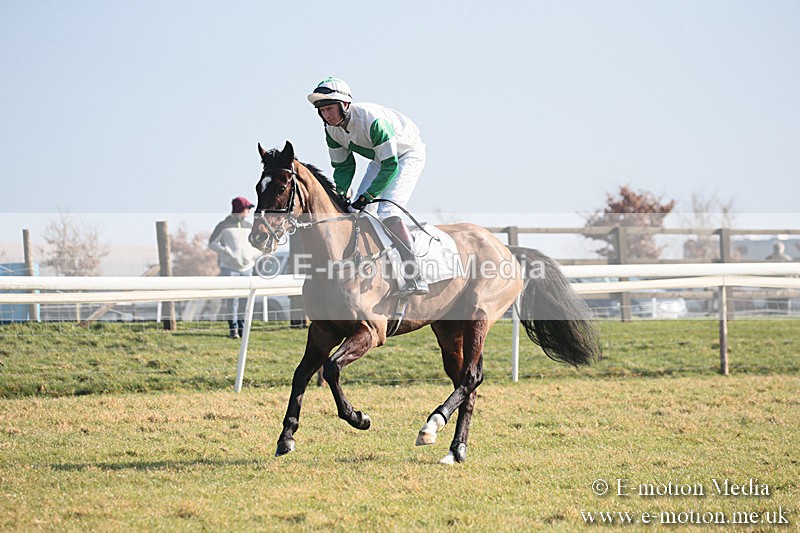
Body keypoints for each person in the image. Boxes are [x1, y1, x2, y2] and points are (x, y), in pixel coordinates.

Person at [307, 76, 429, 297]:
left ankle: (414, 275)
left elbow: (390, 166)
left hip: (406, 155)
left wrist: (369, 195)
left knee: (388, 212)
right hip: (381, 159)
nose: (326, 115)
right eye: (322, 111)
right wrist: (342, 193)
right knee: (357, 212)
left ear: (344, 105)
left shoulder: (371, 121)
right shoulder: (331, 130)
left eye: (329, 109)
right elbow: (343, 167)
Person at [208, 196, 259, 338]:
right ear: (240, 209)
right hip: (229, 268)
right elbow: (212, 243)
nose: (249, 211)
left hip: (247, 268)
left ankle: (243, 329)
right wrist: (226, 252)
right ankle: (233, 329)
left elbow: (256, 244)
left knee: (245, 300)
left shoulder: (249, 226)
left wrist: (254, 254)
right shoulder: (223, 225)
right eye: (247, 208)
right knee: (232, 300)